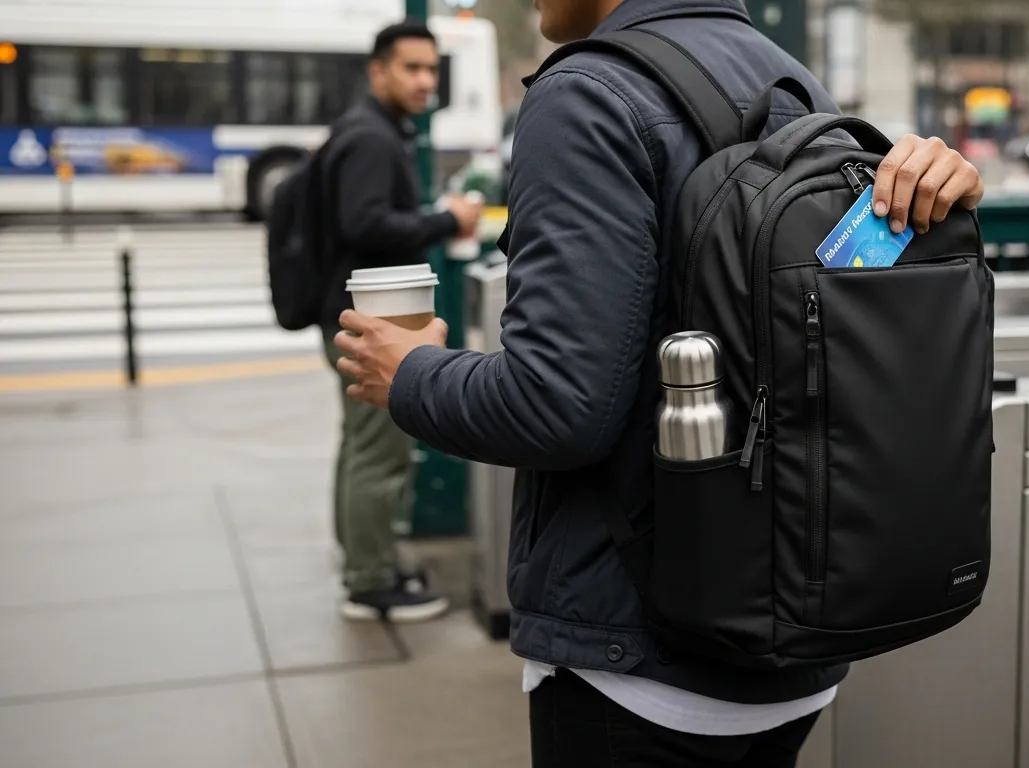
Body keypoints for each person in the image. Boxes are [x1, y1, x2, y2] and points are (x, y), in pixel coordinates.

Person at [332, 0, 983, 764]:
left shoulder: (587, 94)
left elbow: (555, 408)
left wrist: (410, 374)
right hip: (798, 633)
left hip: (636, 657)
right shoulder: (796, 84)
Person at [320, 21, 481, 622]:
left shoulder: (372, 129)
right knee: (378, 451)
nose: (424, 81)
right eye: (411, 68)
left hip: (357, 314)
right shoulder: (371, 137)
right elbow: (365, 224)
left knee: (361, 445)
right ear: (378, 70)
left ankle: (364, 561)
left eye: (432, 69)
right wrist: (445, 220)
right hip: (370, 318)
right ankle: (370, 582)